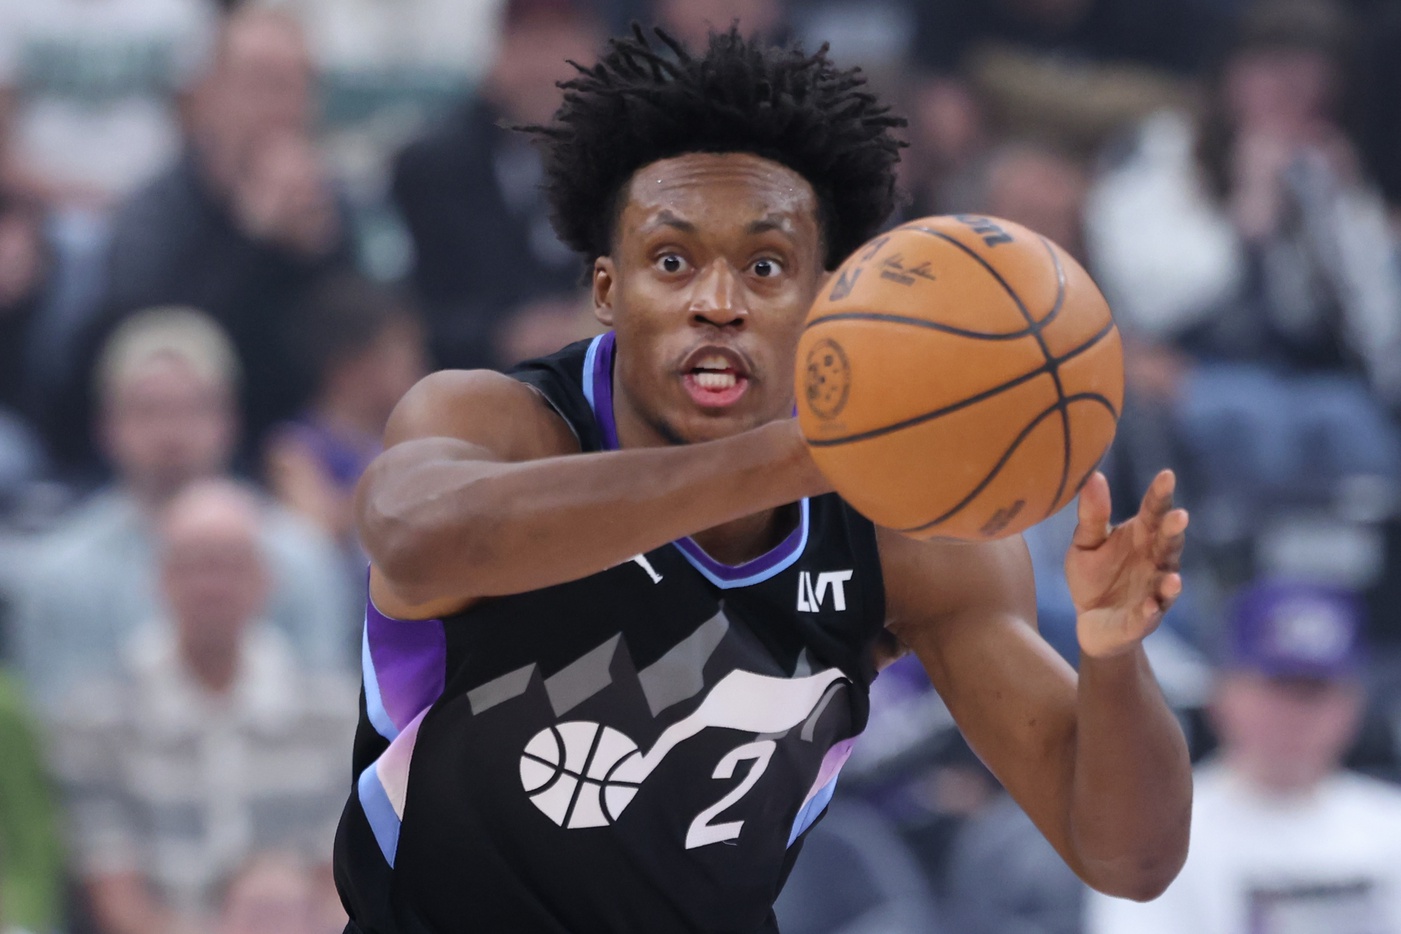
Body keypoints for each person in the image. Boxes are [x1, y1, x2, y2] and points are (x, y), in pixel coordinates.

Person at [335, 26, 1193, 933]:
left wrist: (1112, 658)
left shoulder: (903, 538)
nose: (718, 302)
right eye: (672, 261)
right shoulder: (499, 423)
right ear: (606, 290)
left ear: (827, 296)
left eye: (765, 266)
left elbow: (1130, 860)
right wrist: (812, 454)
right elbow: (415, 541)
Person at [9, 306, 354, 713]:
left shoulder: (302, 558)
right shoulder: (59, 573)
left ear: (230, 421)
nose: (171, 433)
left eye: (194, 408)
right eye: (148, 410)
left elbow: (330, 711)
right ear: (106, 427)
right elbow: (57, 724)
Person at [51, 479, 357, 934]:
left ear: (267, 579)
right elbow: (117, 903)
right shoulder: (96, 718)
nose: (212, 586)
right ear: (158, 578)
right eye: (193, 566)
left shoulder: (334, 713)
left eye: (231, 566)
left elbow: (340, 890)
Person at [1087, 578, 1401, 933]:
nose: (1295, 714)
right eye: (1277, 687)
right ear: (1223, 692)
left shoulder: (1392, 826)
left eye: (1315, 692)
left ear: (1354, 704)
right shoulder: (1153, 837)